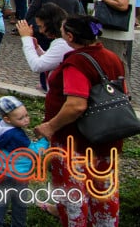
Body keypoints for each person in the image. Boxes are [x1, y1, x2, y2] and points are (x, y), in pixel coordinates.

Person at [33, 15, 125, 224]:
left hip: (76, 142)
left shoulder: (77, 62)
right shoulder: (112, 57)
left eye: (63, 31)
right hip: (106, 138)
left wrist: (49, 126)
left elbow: (76, 105)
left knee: (73, 196)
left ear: (70, 36)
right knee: (103, 193)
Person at [0, 96, 46, 227]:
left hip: (0, 170)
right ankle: (18, 224)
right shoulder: (17, 136)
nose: (26, 120)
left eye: (26, 115)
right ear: (7, 119)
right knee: (19, 201)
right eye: (21, 118)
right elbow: (35, 152)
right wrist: (43, 140)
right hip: (18, 174)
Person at [93, 0, 136, 79]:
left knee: (115, 62)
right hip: (113, 33)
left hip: (114, 33)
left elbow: (122, 5)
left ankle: (121, 90)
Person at [16, 3, 71, 89]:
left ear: (50, 24)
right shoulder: (62, 43)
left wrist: (26, 38)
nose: (40, 31)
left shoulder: (62, 44)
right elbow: (53, 58)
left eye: (41, 26)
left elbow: (37, 66)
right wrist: (37, 48)